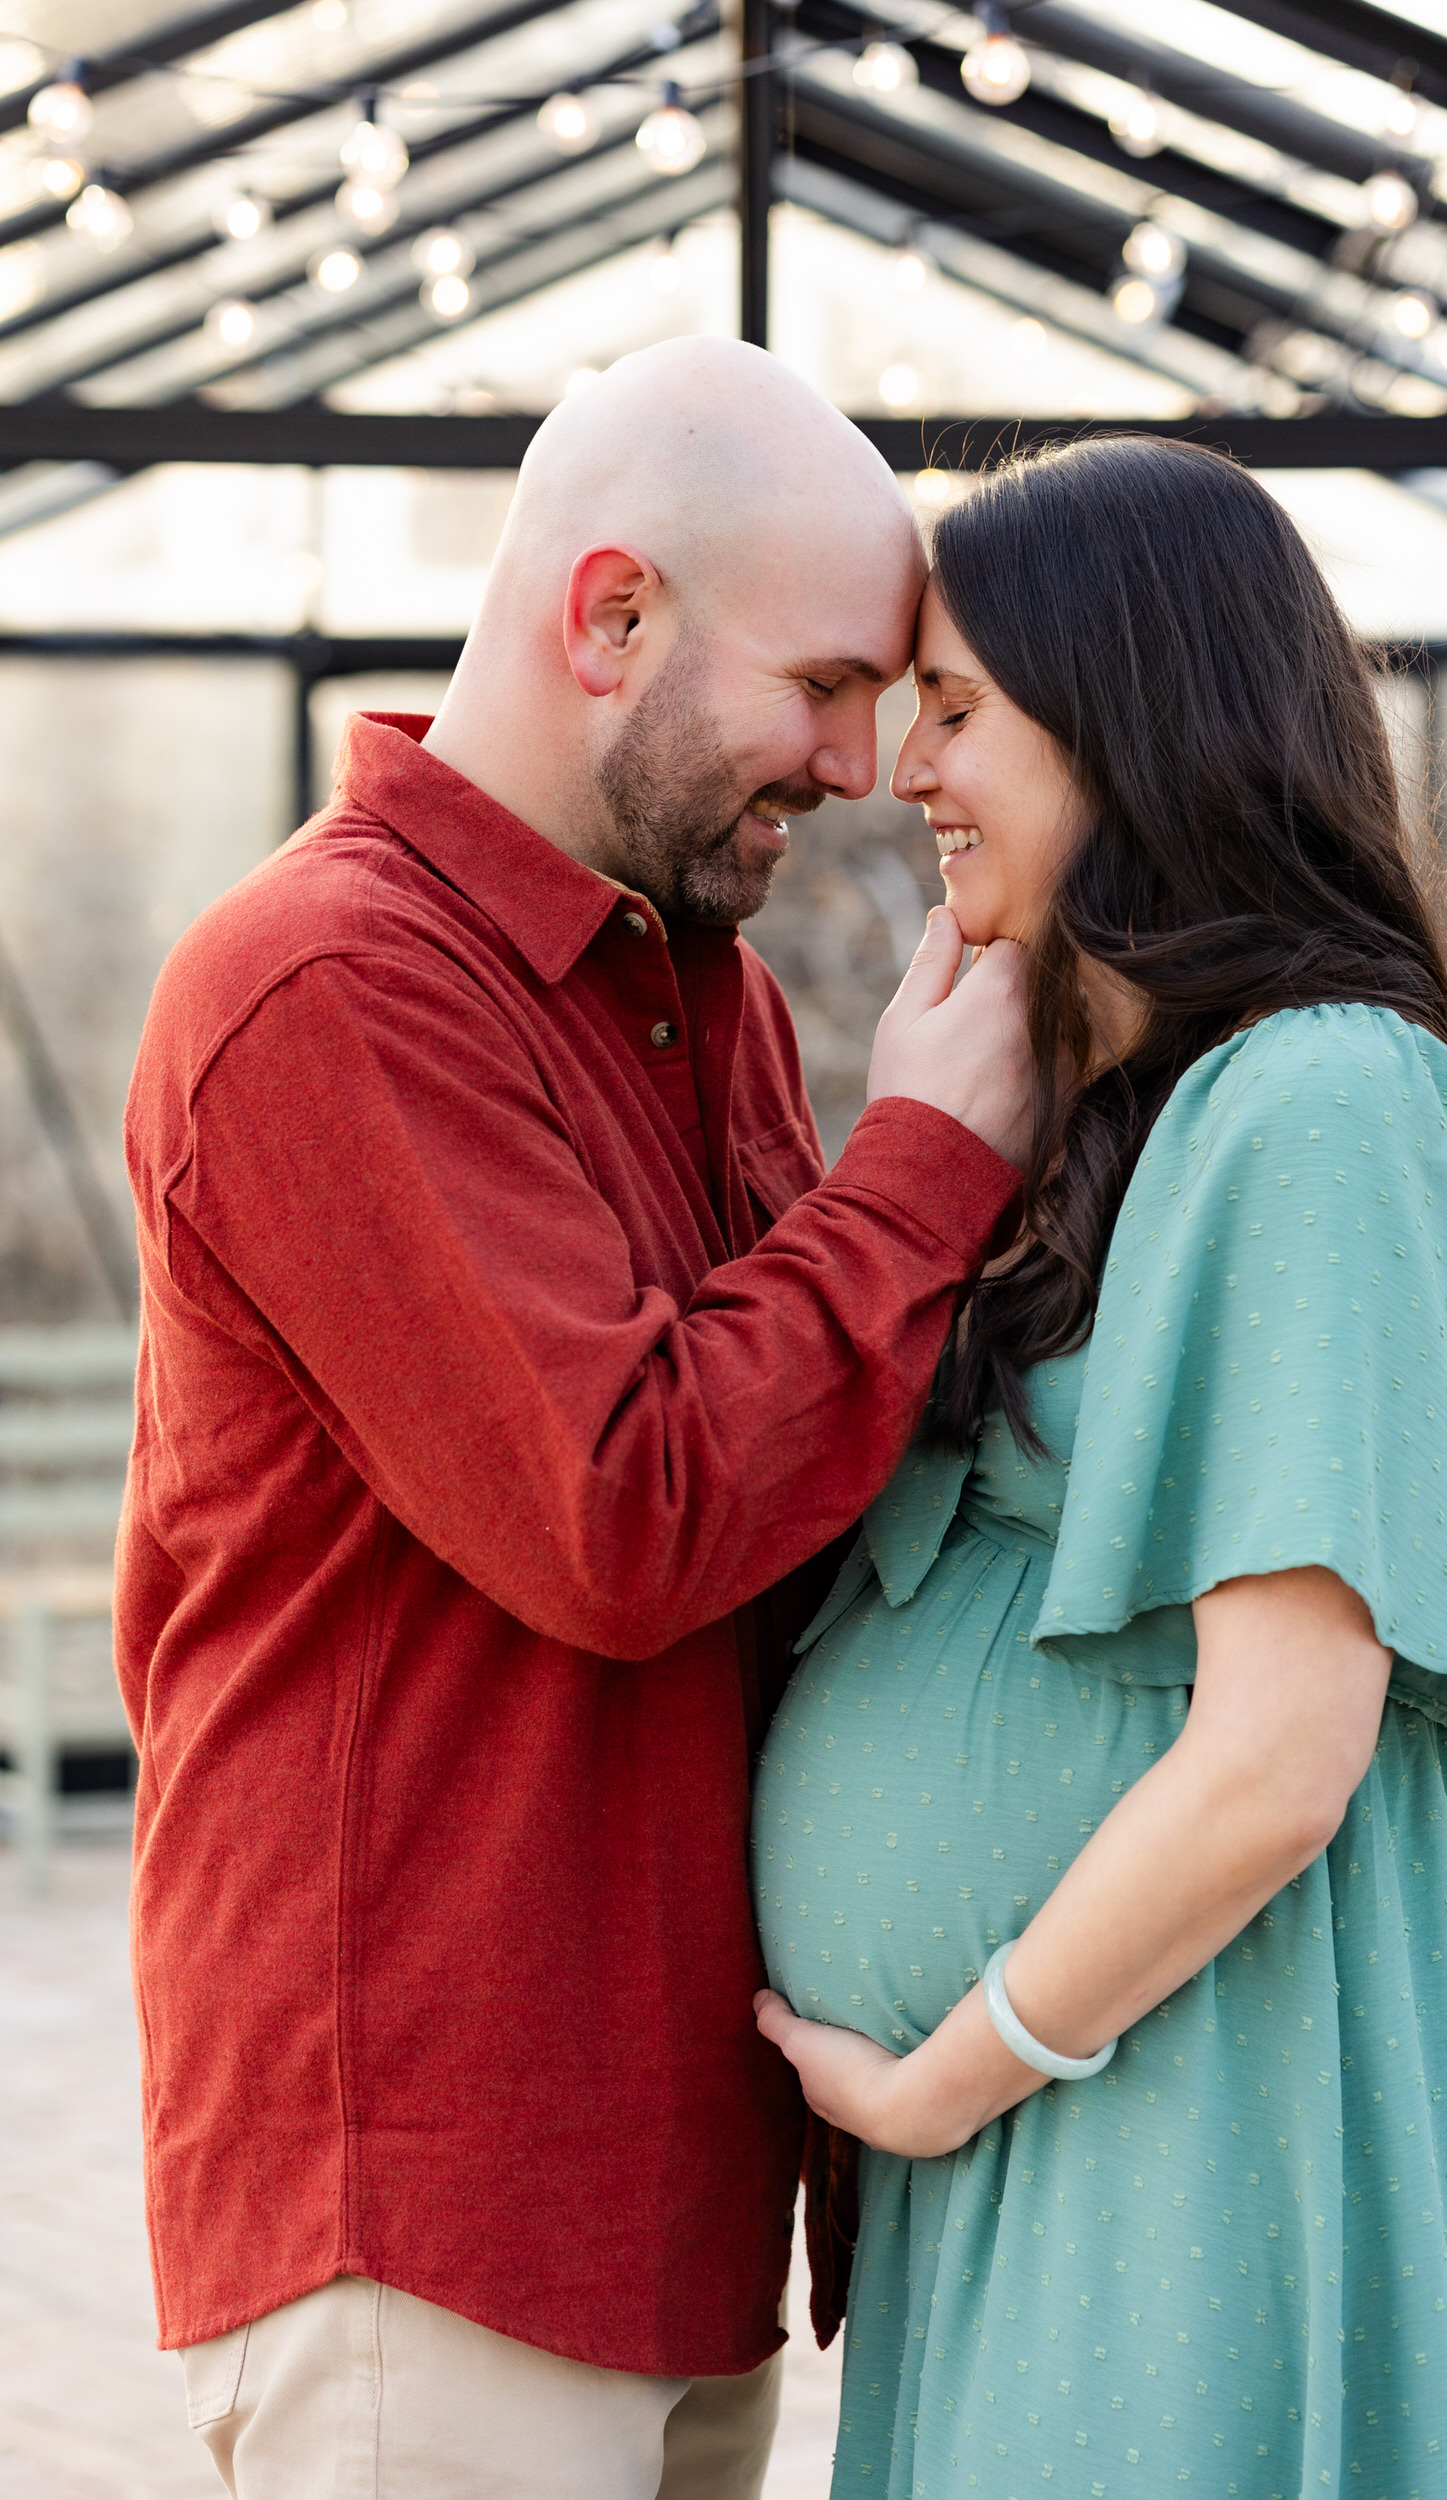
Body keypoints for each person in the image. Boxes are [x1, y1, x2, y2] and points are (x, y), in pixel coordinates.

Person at [117, 338, 1035, 2500]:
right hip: (434, 2202)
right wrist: (917, 1159)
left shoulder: (685, 981)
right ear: (610, 616)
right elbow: (623, 1508)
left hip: (664, 2180)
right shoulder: (326, 985)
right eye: (824, 682)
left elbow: (813, 1465)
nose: (864, 756)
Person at [753, 437, 1447, 2500]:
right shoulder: (1139, 1107)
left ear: (1132, 710)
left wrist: (944, 2079)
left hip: (1185, 2096)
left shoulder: (1321, 1096)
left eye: (955, 706)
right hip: (1062, 2094)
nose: (900, 766)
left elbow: (1276, 1754)